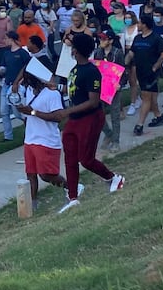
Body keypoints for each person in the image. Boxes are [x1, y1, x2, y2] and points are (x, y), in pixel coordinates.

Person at [53, 33, 124, 213]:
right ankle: (73, 197)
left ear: (76, 50)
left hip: (90, 118)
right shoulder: (74, 70)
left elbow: (93, 101)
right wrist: (56, 87)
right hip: (74, 120)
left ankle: (113, 178)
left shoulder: (92, 71)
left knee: (86, 159)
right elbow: (75, 90)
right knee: (69, 158)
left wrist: (66, 112)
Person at [14, 68, 67, 211]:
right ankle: (33, 203)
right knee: (30, 173)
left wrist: (32, 112)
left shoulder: (53, 94)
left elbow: (58, 117)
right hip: (30, 138)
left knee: (46, 175)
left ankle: (70, 186)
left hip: (46, 140)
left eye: (28, 79)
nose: (26, 82)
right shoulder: (30, 91)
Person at [125, 15, 163, 137]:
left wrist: (156, 66)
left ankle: (139, 125)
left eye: (139, 23)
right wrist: (124, 64)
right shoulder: (138, 38)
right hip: (140, 72)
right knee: (152, 99)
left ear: (145, 25)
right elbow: (132, 53)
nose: (137, 25)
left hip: (151, 74)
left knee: (146, 98)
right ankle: (159, 117)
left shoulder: (156, 39)